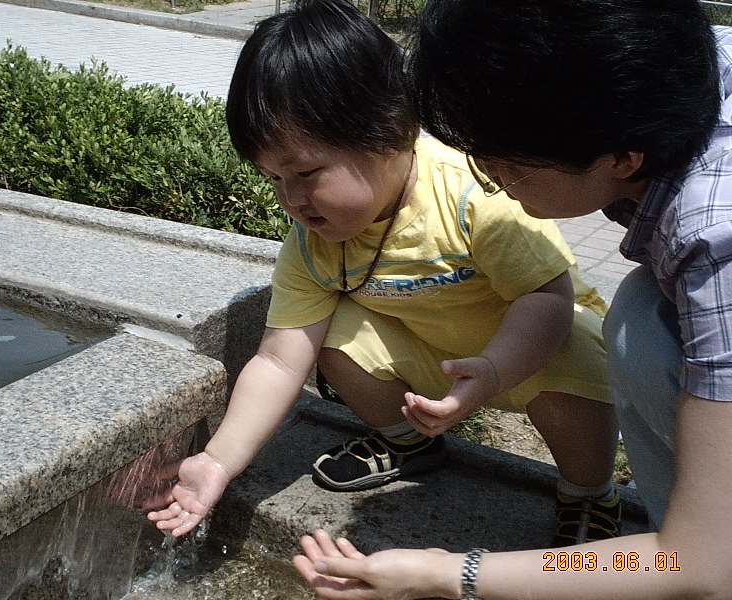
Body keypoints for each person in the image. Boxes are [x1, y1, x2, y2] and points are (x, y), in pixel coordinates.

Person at [293, 0, 732, 598]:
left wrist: (450, 573)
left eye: (507, 166)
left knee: (641, 332)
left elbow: (698, 563)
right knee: (642, 317)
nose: (489, 180)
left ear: (623, 157)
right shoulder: (683, 72)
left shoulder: (715, 243)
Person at [148, 0, 620, 548]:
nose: (291, 199)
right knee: (327, 334)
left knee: (578, 351)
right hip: (435, 360)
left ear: (389, 132)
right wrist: (217, 461)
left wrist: (493, 371)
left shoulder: (472, 193)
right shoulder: (313, 241)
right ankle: (408, 441)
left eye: (306, 172)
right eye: (273, 178)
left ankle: (588, 492)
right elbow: (279, 360)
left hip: (529, 350)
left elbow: (546, 299)